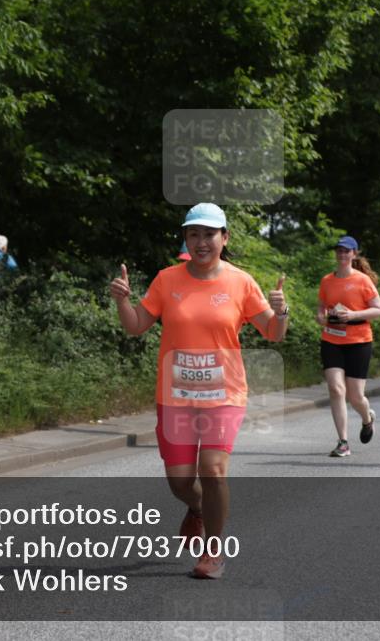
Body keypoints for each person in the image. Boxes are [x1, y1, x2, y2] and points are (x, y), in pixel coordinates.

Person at [109, 203, 289, 579]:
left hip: (224, 394)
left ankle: (213, 550)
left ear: (224, 238)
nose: (201, 241)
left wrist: (281, 312)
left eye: (210, 234)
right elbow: (136, 326)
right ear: (186, 238)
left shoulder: (241, 282)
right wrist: (123, 301)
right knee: (179, 482)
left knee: (212, 470)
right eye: (194, 234)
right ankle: (197, 509)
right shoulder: (167, 279)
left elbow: (272, 333)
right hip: (174, 396)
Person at [317, 236, 380, 457]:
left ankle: (367, 418)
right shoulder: (327, 280)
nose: (342, 255)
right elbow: (320, 311)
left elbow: (378, 310)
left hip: (359, 342)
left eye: (347, 252)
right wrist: (323, 318)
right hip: (332, 340)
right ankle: (343, 442)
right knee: (336, 389)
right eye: (339, 251)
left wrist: (353, 315)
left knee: (356, 397)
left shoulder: (363, 280)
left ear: (354, 254)